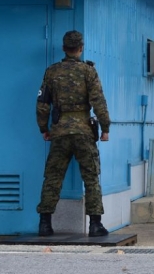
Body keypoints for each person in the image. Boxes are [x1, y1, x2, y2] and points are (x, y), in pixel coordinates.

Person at [36, 30, 111, 237]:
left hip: (59, 131)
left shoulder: (51, 72)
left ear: (63, 48)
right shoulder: (88, 72)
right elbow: (99, 102)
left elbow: (43, 104)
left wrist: (44, 129)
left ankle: (45, 224)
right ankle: (95, 225)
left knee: (52, 177)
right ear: (81, 48)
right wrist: (105, 129)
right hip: (84, 131)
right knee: (91, 177)